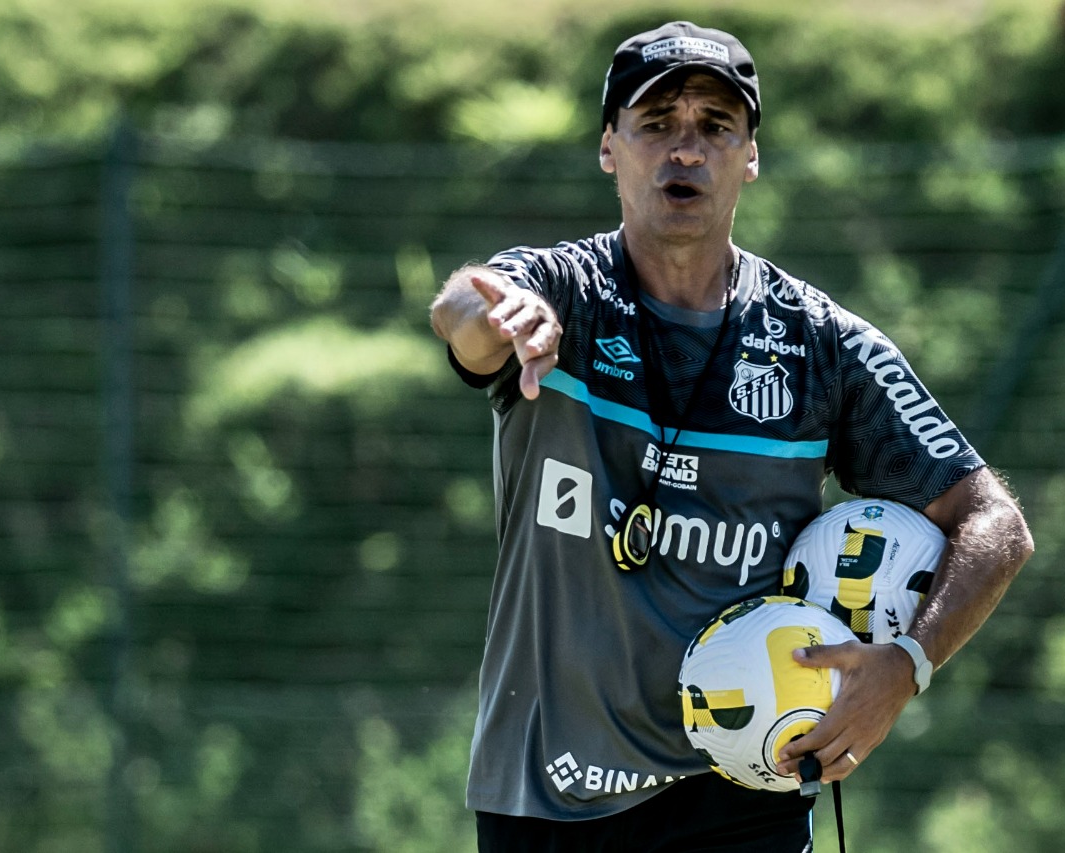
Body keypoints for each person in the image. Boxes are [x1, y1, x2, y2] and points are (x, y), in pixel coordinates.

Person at [429, 20, 1034, 853]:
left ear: (750, 154)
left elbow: (994, 524)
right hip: (548, 793)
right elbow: (461, 311)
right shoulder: (559, 291)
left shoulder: (821, 343)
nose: (686, 150)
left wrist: (907, 665)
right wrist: (496, 311)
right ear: (610, 148)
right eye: (656, 125)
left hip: (746, 788)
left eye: (716, 127)